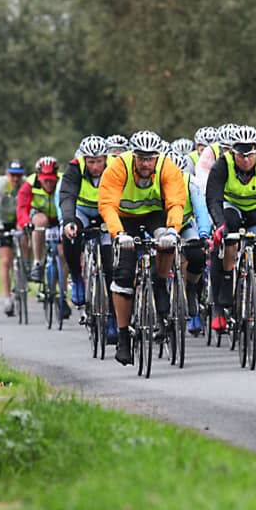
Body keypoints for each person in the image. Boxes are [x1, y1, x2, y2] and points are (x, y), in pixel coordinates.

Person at [97, 130, 186, 365]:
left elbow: (176, 203)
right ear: (133, 155)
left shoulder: (167, 167)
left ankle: (160, 283)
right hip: (125, 219)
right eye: (141, 158)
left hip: (155, 216)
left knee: (166, 245)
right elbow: (107, 205)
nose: (146, 163)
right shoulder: (118, 167)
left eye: (150, 158)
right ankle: (123, 336)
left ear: (157, 156)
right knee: (123, 276)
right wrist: (118, 234)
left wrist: (172, 230)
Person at [205, 125, 256, 356]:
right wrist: (219, 225)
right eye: (241, 154)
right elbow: (213, 199)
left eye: (250, 154)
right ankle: (228, 276)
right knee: (230, 231)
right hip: (231, 208)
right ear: (233, 152)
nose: (246, 160)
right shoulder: (222, 165)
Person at [59, 135, 114, 313]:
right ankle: (76, 277)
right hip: (82, 211)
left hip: (106, 211)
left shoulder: (115, 166)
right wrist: (68, 221)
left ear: (105, 158)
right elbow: (67, 196)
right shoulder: (75, 167)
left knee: (110, 262)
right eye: (91, 162)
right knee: (70, 234)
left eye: (99, 161)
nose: (95, 167)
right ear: (84, 159)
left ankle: (112, 314)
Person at [17, 156, 71, 321]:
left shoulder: (64, 180)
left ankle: (62, 295)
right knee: (40, 222)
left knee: (62, 254)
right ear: (39, 176)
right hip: (40, 216)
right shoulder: (29, 184)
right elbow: (22, 208)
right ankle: (38, 262)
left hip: (59, 218)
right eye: (45, 180)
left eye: (51, 180)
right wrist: (25, 223)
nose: (49, 184)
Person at [170, 153, 211, 335]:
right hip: (162, 226)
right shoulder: (154, 182)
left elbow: (201, 210)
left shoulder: (191, 182)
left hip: (185, 225)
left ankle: (192, 289)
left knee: (197, 256)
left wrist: (204, 234)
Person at [0, 159, 27, 316]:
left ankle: (26, 267)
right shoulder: (0, 185)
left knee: (26, 240)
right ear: (6, 174)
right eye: (12, 175)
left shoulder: (26, 184)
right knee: (6, 260)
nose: (15, 178)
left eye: (18, 175)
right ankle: (7, 298)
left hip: (18, 221)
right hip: (1, 223)